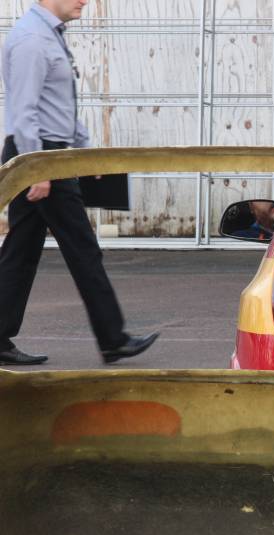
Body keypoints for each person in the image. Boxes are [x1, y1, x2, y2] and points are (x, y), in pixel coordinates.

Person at [0, 0, 158, 365]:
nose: (84, 0)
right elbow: (23, 111)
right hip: (40, 156)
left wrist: (85, 154)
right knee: (83, 248)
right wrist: (35, 169)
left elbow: (60, 105)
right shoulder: (30, 40)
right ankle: (113, 339)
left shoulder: (49, 36)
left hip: (51, 155)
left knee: (20, 251)